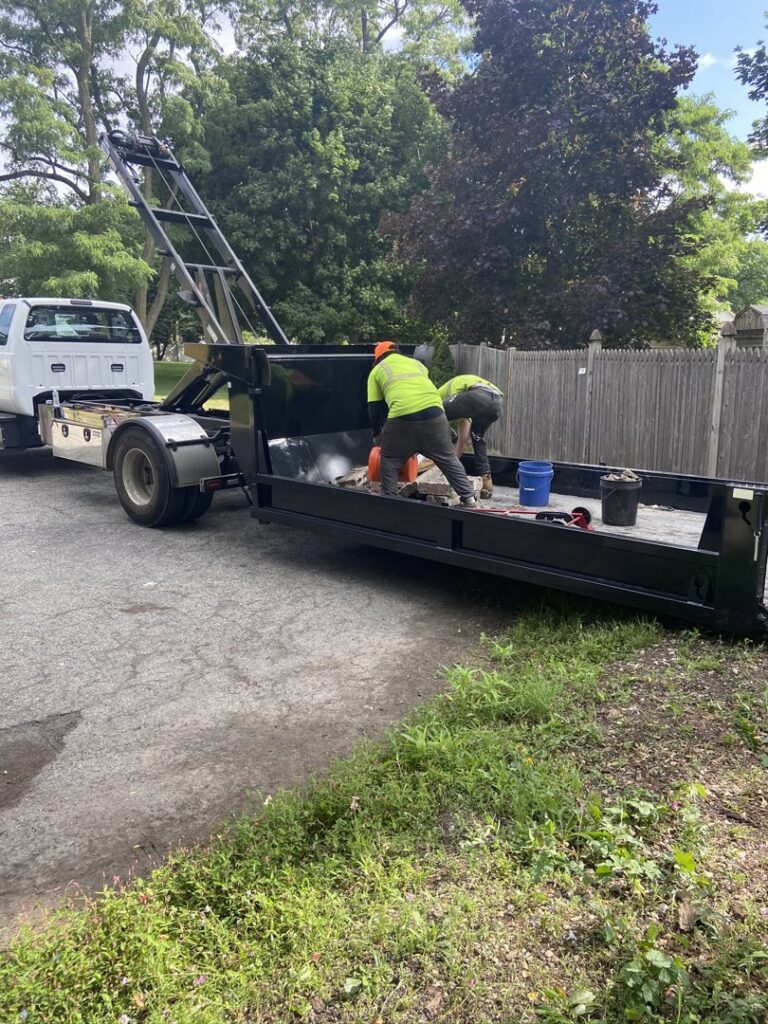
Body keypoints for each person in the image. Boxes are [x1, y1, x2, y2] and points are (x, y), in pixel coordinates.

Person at [367, 341, 477, 506]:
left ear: (380, 357)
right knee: (448, 458)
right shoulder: (418, 365)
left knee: (389, 460)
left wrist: (377, 435)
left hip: (402, 417)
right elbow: (423, 393)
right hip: (436, 415)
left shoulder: (377, 370)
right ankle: (469, 498)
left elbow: (374, 409)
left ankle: (389, 501)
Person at [438, 374, 504, 497]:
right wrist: (453, 464)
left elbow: (433, 420)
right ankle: (486, 482)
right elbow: (463, 440)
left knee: (436, 414)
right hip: (497, 402)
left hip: (479, 395)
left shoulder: (439, 396)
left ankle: (451, 435)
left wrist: (452, 437)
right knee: (477, 436)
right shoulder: (463, 404)